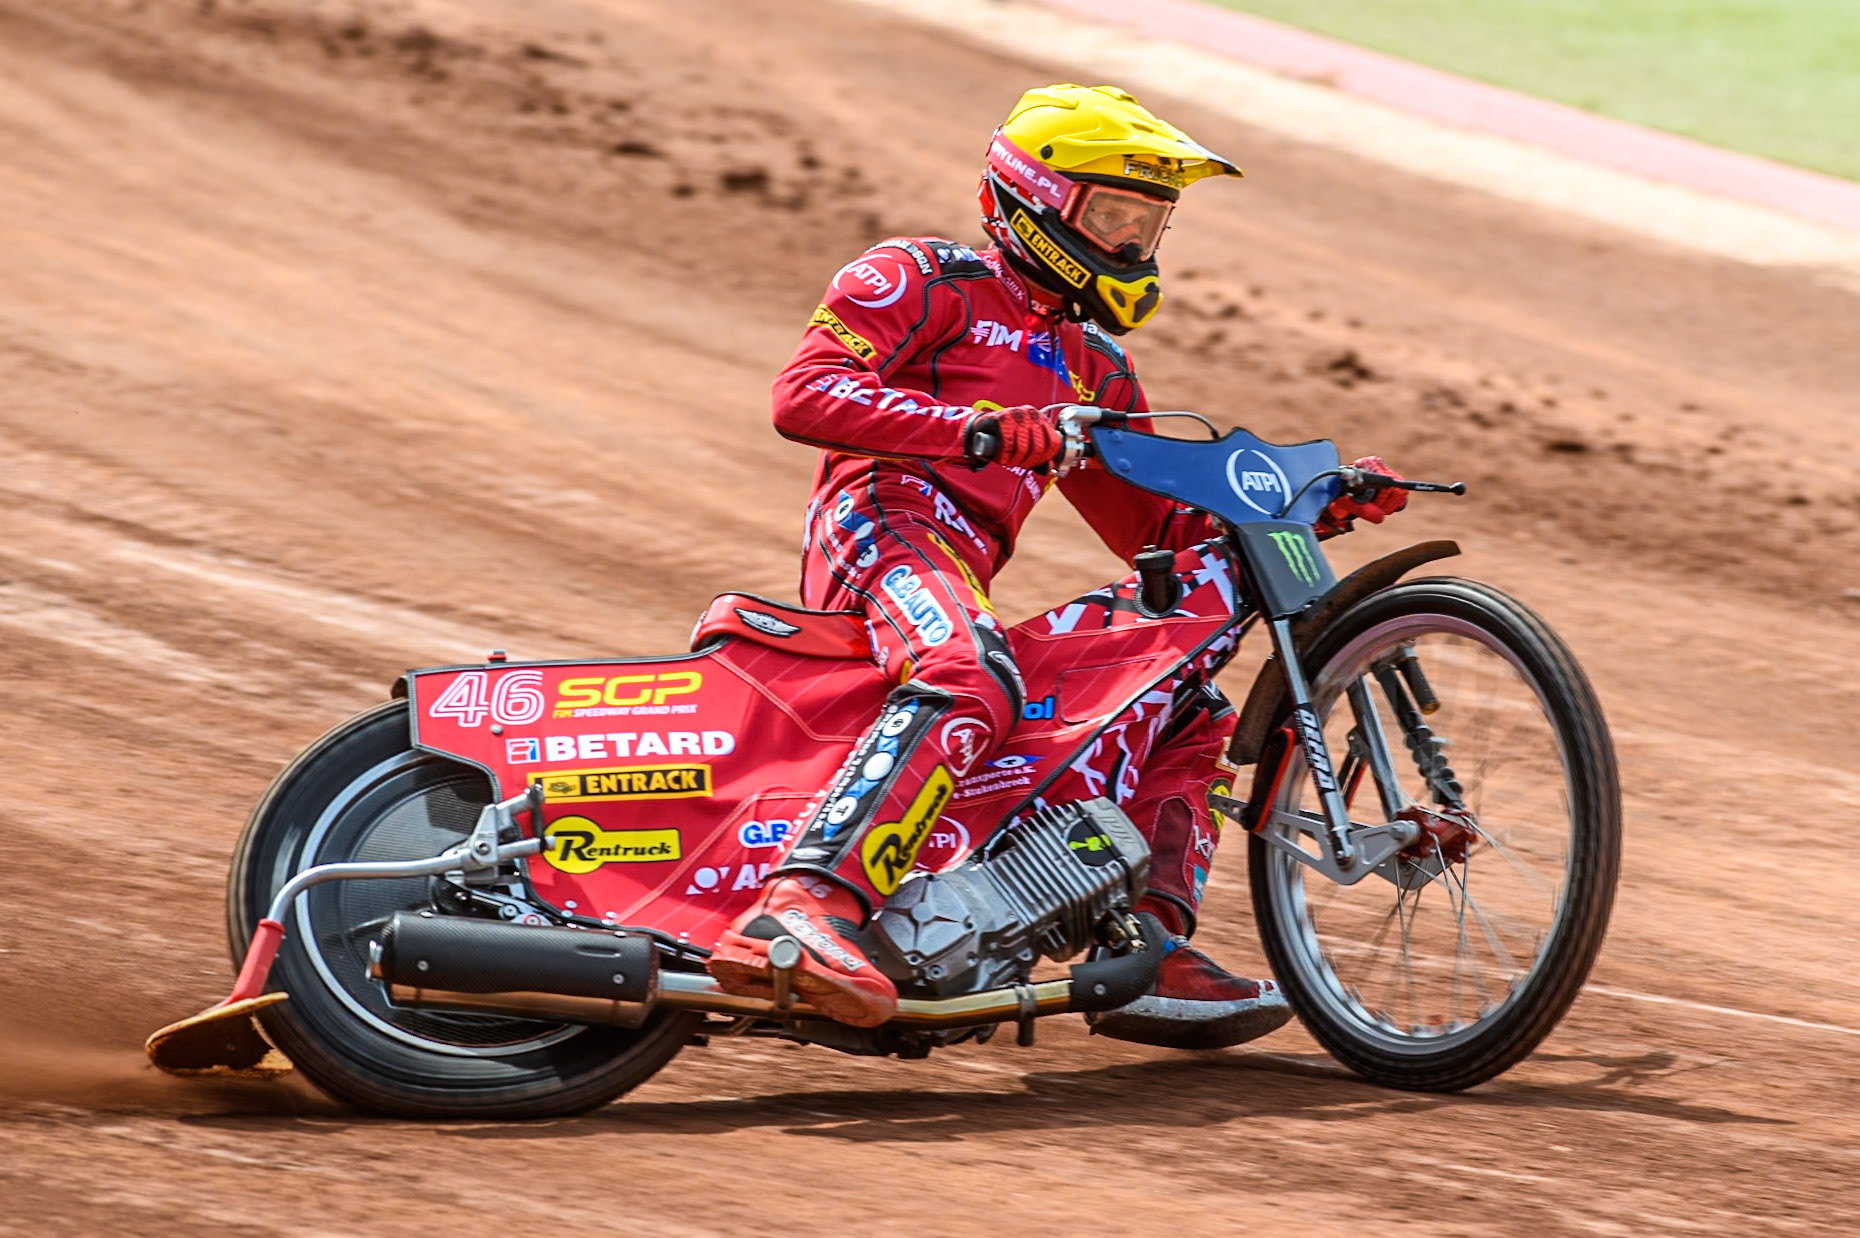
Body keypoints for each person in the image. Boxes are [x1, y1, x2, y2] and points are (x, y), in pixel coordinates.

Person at [709, 84, 1406, 1041]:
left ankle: (1148, 947)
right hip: (883, 524)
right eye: (1113, 215)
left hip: (957, 568)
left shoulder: (1096, 363)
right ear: (1034, 201)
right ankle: (803, 905)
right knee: (966, 668)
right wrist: (988, 432)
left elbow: (1156, 530)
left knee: (1183, 703)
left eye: (1149, 222)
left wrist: (1315, 504)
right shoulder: (921, 275)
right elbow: (805, 397)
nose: (1133, 242)